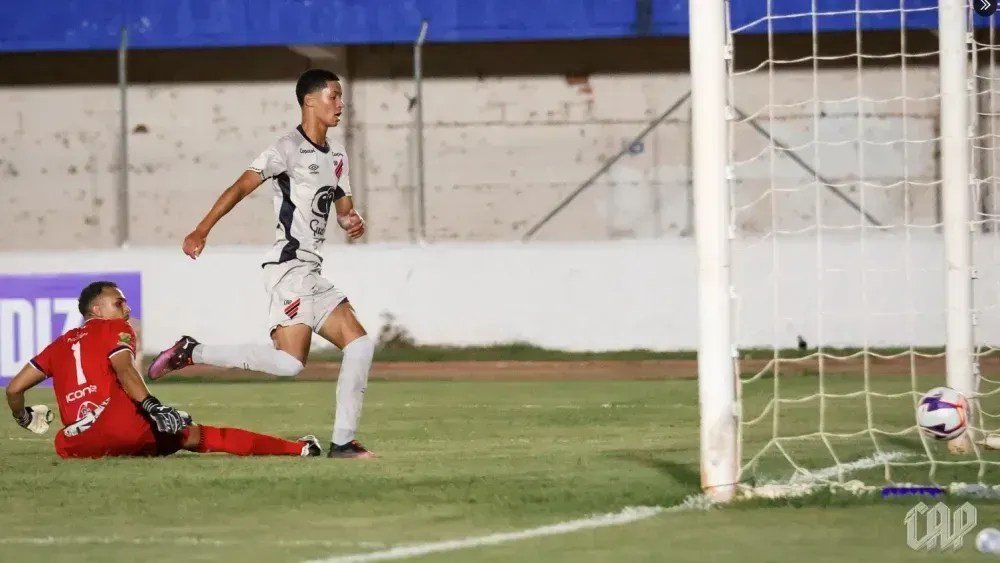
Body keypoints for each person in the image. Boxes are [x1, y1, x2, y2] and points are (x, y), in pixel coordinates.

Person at [147, 68, 375, 459]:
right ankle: (193, 352)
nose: (341, 104)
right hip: (290, 268)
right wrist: (201, 229)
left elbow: (342, 209)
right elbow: (240, 187)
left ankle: (343, 442)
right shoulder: (286, 149)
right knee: (290, 363)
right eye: (334, 96)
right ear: (309, 101)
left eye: (341, 97)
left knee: (358, 345)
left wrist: (351, 221)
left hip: (311, 270)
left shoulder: (337, 156)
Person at [5, 281, 322, 459]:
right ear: (97, 310)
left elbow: (14, 389)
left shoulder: (59, 345)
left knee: (77, 437)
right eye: (119, 303)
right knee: (200, 435)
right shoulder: (115, 328)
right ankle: (300, 448)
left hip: (76, 444)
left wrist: (23, 417)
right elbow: (125, 370)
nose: (127, 309)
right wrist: (152, 406)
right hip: (120, 428)